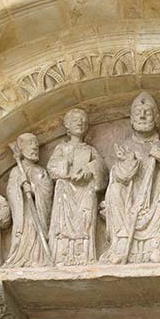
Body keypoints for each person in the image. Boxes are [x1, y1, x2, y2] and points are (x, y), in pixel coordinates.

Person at [101, 92, 160, 264]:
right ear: (131, 119)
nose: (143, 116)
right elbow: (117, 178)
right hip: (131, 201)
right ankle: (121, 245)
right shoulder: (126, 147)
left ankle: (157, 245)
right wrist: (128, 163)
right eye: (138, 113)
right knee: (115, 190)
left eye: (148, 112)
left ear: (157, 119)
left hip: (153, 201)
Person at [48, 108, 106, 265]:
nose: (80, 122)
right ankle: (62, 256)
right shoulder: (61, 148)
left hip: (85, 191)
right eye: (75, 120)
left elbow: (102, 171)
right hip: (65, 191)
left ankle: (83, 256)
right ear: (67, 125)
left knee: (84, 224)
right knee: (63, 224)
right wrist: (65, 165)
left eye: (82, 120)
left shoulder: (90, 150)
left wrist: (89, 169)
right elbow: (52, 168)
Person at [5, 133, 53, 267]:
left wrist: (34, 189)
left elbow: (48, 190)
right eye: (30, 145)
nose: (34, 148)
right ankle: (23, 257)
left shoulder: (40, 171)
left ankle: (38, 258)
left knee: (36, 232)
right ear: (21, 149)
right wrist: (18, 186)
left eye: (36, 146)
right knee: (26, 233)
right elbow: (10, 192)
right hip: (24, 213)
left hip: (38, 212)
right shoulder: (16, 171)